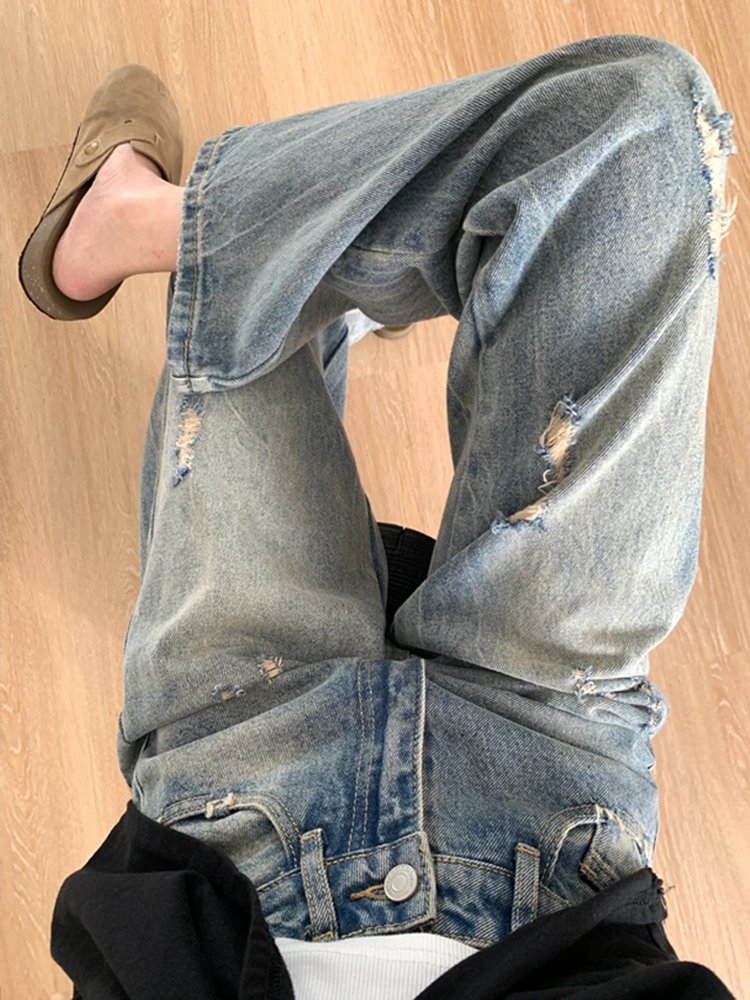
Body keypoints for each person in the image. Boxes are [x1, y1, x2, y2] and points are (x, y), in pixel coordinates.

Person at [19, 32, 739, 999]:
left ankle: (215, 238)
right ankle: (242, 241)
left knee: (256, 314)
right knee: (637, 131)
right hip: (552, 789)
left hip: (242, 793)